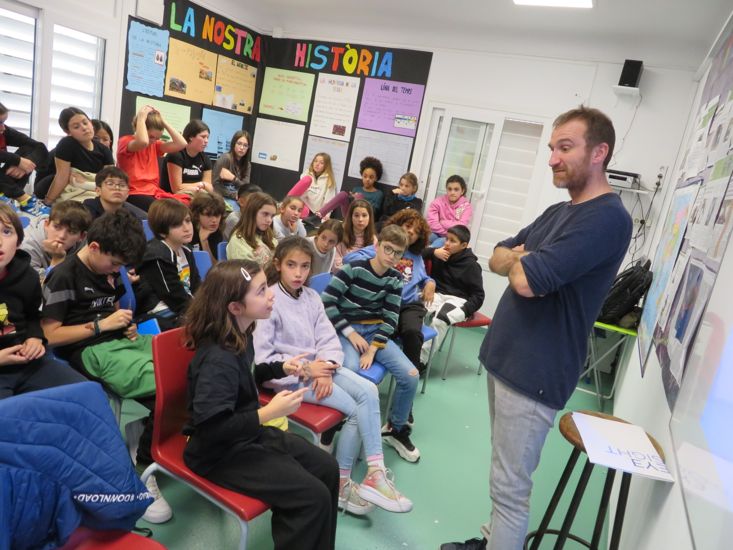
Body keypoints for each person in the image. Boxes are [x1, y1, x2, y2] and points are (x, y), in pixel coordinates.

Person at [440, 106, 633, 550]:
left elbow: (526, 281)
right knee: (502, 475)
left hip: (535, 371)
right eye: (551, 148)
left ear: (599, 152)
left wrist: (523, 261)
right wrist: (521, 258)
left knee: (510, 489)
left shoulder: (607, 218)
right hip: (507, 358)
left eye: (565, 147)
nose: (552, 159)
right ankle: (491, 540)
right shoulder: (557, 211)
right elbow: (496, 256)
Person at [183, 259, 339, 550]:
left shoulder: (242, 333)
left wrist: (282, 368)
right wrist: (268, 413)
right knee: (310, 497)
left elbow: (246, 379)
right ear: (235, 307)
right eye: (261, 291)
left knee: (327, 467)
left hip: (246, 435)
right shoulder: (218, 360)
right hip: (217, 453)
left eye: (267, 286)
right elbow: (211, 428)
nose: (271, 295)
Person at [254, 237, 413, 515]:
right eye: (291, 265)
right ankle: (340, 483)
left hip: (320, 370)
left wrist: (326, 368)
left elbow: (328, 338)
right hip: (291, 379)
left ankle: (375, 471)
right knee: (355, 411)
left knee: (369, 390)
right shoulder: (269, 301)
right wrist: (308, 370)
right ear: (278, 265)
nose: (298, 273)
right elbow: (264, 362)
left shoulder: (311, 297)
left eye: (305, 266)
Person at [39, 210, 171, 524]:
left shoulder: (110, 268)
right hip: (88, 349)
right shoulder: (64, 275)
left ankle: (143, 433)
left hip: (118, 340)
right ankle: (142, 470)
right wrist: (102, 326)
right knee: (162, 386)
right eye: (114, 264)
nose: (116, 271)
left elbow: (113, 306)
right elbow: (49, 336)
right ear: (94, 247)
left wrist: (124, 324)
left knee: (180, 367)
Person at [322, 225, 421, 463]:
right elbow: (327, 301)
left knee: (411, 375)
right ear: (376, 245)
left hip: (374, 333)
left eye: (398, 253)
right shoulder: (354, 269)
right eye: (388, 249)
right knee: (349, 371)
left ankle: (395, 428)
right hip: (347, 331)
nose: (392, 256)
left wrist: (374, 348)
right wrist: (350, 333)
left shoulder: (395, 278)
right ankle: (331, 429)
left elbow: (391, 317)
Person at [0, 203, 86, 399]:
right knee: (10, 415)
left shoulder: (26, 276)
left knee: (85, 393)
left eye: (6, 232)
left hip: (27, 362)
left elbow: (32, 316)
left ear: (18, 242)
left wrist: (35, 338)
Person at [344, 209, 435, 377]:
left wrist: (430, 283)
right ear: (397, 225)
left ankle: (411, 373)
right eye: (408, 226)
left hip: (409, 305)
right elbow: (348, 259)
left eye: (416, 231)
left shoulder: (416, 256)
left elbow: (423, 277)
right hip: (383, 303)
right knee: (384, 332)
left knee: (412, 333)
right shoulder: (381, 248)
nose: (410, 232)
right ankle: (369, 370)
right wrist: (379, 252)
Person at [419, 224, 484, 364]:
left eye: (452, 241)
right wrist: (433, 252)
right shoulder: (440, 253)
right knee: (416, 310)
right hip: (438, 294)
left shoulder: (472, 265)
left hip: (459, 300)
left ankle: (421, 361)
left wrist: (466, 310)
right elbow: (416, 253)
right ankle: (410, 350)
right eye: (446, 239)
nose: (447, 243)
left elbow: (478, 296)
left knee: (440, 319)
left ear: (464, 245)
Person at [137, 199, 201, 325]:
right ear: (162, 231)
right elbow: (172, 294)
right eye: (177, 224)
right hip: (160, 311)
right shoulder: (157, 255)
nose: (187, 228)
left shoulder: (186, 250)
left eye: (188, 221)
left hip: (183, 307)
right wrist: (199, 312)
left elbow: (196, 285)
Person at [116, 104, 187, 212]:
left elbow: (182, 144)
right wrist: (141, 118)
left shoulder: (154, 145)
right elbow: (143, 142)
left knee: (184, 207)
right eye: (151, 137)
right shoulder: (125, 141)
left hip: (153, 192)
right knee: (167, 212)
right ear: (139, 128)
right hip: (133, 193)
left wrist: (163, 121)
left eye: (157, 138)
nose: (153, 141)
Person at [44, 107, 114, 204]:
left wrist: (84, 184)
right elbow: (62, 177)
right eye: (76, 127)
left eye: (85, 123)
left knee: (130, 211)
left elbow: (111, 181)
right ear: (68, 132)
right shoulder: (66, 144)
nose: (84, 128)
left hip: (99, 193)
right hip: (74, 195)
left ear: (91, 123)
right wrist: (47, 202)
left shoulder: (105, 150)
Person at [0, 102, 50, 216]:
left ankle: (7, 199)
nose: (3, 127)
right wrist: (18, 160)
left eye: (3, 122)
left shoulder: (4, 131)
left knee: (28, 150)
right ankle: (25, 199)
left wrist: (24, 164)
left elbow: (39, 147)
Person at [21, 200, 91, 279]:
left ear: (82, 236)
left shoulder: (86, 245)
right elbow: (34, 283)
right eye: (57, 227)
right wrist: (57, 261)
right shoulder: (26, 247)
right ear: (47, 224)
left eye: (71, 231)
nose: (62, 236)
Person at [287, 152, 351, 220]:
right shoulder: (306, 175)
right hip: (303, 207)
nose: (317, 164)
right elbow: (299, 195)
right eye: (315, 161)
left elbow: (329, 202)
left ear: (326, 166)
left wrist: (325, 217)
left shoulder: (329, 181)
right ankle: (285, 205)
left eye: (321, 163)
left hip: (317, 213)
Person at [161, 119, 214, 196]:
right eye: (203, 137)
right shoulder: (176, 155)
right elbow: (177, 189)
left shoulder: (205, 159)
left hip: (195, 197)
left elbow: (209, 188)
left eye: (207, 137)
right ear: (191, 137)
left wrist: (201, 186)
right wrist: (202, 184)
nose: (206, 141)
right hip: (172, 198)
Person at [226, 192, 278, 266]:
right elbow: (245, 271)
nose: (269, 220)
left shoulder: (269, 238)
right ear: (252, 213)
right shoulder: (238, 241)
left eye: (272, 216)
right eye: (265, 214)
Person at [82, 166, 147, 222]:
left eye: (122, 185)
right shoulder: (86, 213)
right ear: (98, 190)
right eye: (110, 184)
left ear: (127, 193)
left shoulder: (132, 217)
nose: (117, 188)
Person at [332, 199, 377, 273]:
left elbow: (375, 265)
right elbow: (336, 266)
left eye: (364, 215)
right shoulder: (340, 235)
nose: (360, 219)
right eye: (356, 215)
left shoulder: (373, 239)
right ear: (351, 217)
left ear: (370, 218)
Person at [427, 175, 473, 246]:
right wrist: (446, 232)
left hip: (453, 238)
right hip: (436, 232)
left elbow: (461, 226)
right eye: (449, 189)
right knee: (423, 236)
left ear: (462, 191)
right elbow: (432, 223)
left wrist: (443, 222)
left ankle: (430, 251)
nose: (452, 192)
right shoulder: (437, 202)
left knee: (439, 242)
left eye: (456, 189)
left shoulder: (466, 207)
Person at [212, 130, 251, 209]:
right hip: (223, 195)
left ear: (248, 148)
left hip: (238, 196)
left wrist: (234, 178)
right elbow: (215, 184)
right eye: (239, 143)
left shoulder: (247, 165)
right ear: (233, 144)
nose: (242, 148)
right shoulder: (225, 158)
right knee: (236, 210)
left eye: (245, 145)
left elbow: (245, 187)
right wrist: (233, 195)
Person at [190, 192, 226, 262]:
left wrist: (204, 242)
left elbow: (215, 266)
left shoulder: (216, 232)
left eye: (217, 215)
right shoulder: (188, 231)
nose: (214, 220)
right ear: (197, 215)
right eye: (209, 215)